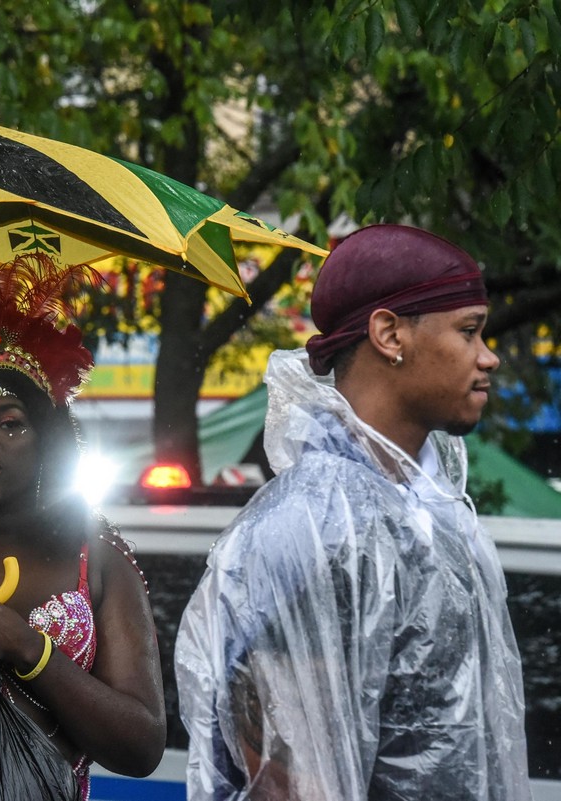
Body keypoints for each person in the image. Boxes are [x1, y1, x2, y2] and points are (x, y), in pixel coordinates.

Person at [175, 224, 531, 800]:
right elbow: (284, 775)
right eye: (469, 331)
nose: (488, 357)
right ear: (389, 334)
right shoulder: (319, 525)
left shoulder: (429, 516)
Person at [0, 256, 166, 801]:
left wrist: (32, 651)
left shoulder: (95, 556)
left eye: (9, 424)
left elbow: (142, 745)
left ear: (46, 442)